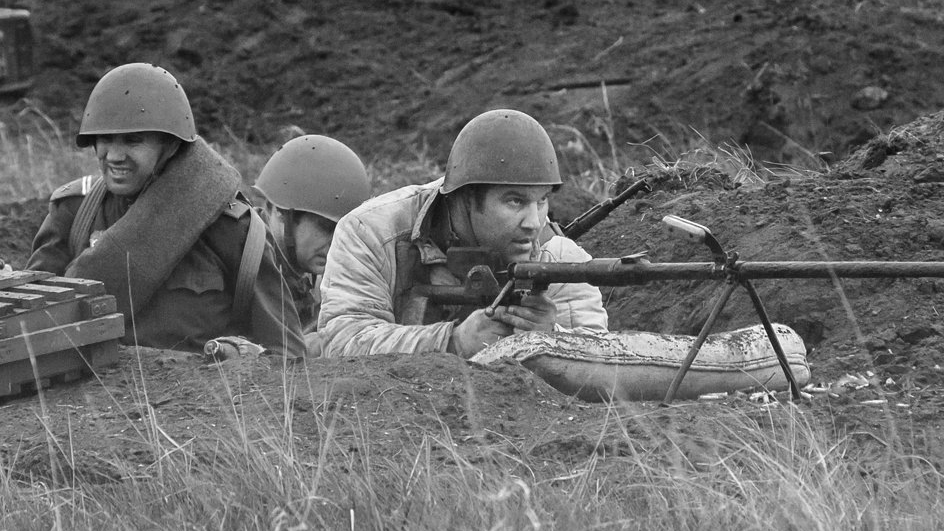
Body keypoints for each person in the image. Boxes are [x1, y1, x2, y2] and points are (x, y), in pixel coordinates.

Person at [26, 62, 306, 358]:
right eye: (105, 140)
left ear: (170, 146)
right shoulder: (73, 212)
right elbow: (28, 332)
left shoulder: (232, 230)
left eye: (133, 141)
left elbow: (288, 358)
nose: (115, 156)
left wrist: (241, 358)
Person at [317, 109, 608, 357]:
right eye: (514, 201)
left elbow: (605, 362)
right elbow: (342, 340)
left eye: (542, 200)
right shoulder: (372, 232)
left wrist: (551, 337)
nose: (534, 222)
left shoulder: (557, 254)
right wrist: (452, 342)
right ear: (465, 198)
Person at [252, 134, 371, 352]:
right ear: (281, 212)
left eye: (344, 232)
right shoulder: (244, 261)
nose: (338, 244)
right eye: (326, 228)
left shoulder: (293, 271)